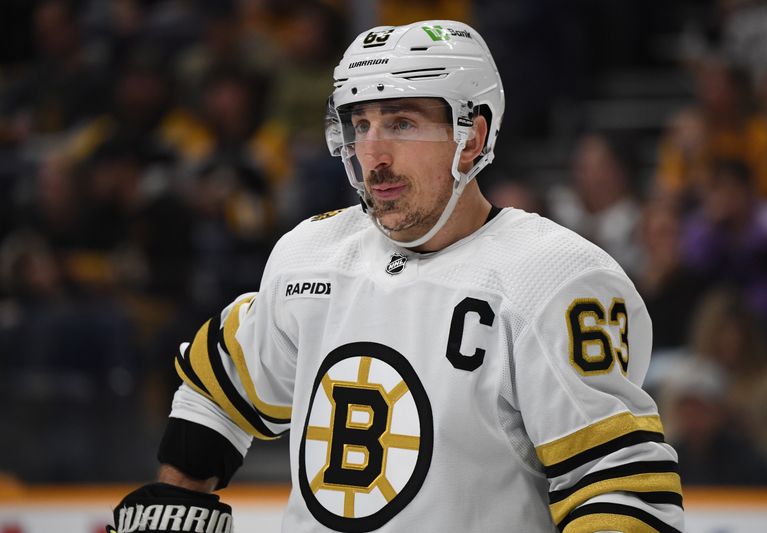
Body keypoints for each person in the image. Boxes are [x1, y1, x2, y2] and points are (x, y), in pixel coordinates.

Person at [107, 20, 684, 533]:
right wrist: (178, 491)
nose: (373, 153)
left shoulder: (556, 279)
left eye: (402, 123)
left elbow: (621, 489)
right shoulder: (310, 253)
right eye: (360, 124)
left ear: (473, 136)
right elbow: (219, 385)